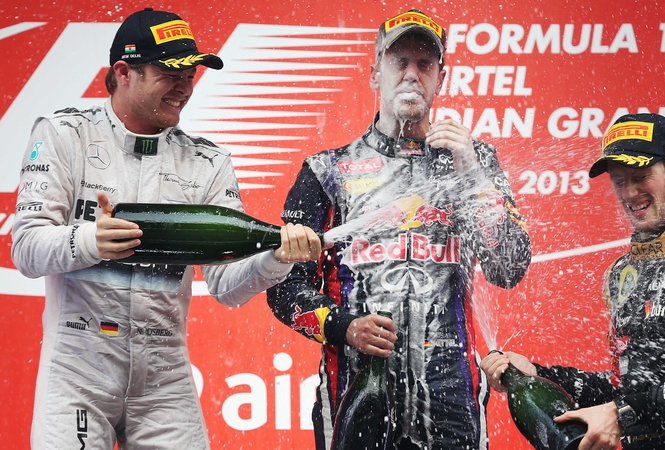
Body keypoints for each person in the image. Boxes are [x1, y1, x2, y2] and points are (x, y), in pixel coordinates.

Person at [11, 8, 321, 449]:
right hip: (78, 371)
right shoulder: (64, 135)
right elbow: (24, 247)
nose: (184, 86)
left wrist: (275, 260)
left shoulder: (209, 162)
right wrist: (88, 240)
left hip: (164, 378)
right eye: (169, 72)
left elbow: (227, 288)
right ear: (123, 72)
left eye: (190, 73)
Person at [265, 9, 532, 450]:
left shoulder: (474, 162)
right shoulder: (326, 171)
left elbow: (510, 267)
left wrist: (470, 174)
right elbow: (282, 288)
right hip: (354, 393)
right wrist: (342, 326)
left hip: (454, 397)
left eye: (424, 64)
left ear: (441, 79)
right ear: (375, 73)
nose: (412, 74)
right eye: (399, 62)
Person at [480, 113, 665, 450]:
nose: (629, 192)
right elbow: (623, 387)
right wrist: (538, 374)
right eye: (619, 181)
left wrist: (623, 412)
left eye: (641, 176)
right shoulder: (621, 272)